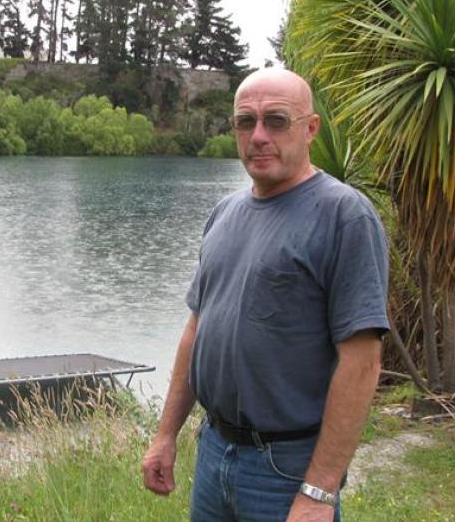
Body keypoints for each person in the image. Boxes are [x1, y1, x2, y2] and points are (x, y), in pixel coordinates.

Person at [141, 69, 389, 522]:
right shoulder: (225, 212)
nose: (258, 136)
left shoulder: (344, 215)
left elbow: (362, 363)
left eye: (276, 121)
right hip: (215, 451)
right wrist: (165, 435)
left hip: (285, 468)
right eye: (245, 122)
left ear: (310, 129)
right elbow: (197, 331)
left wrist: (319, 490)